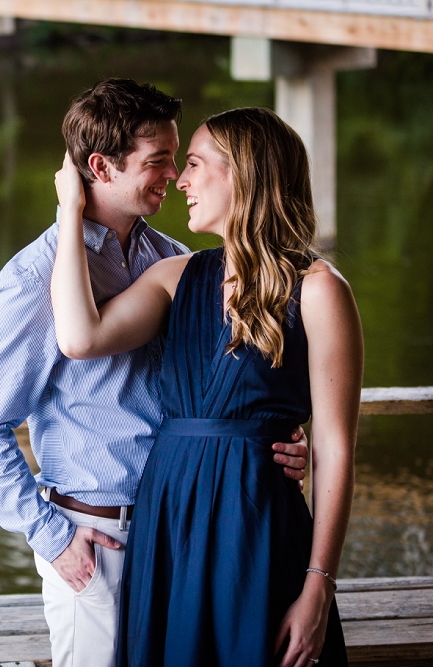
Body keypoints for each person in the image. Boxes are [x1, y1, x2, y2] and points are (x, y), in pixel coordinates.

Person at [0, 80, 310, 667]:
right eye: (159, 161)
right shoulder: (35, 278)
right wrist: (54, 538)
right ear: (101, 166)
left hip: (182, 533)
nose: (174, 175)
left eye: (178, 158)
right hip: (96, 539)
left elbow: (223, 386)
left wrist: (280, 440)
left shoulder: (173, 261)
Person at [50, 107, 362, 667]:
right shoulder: (176, 276)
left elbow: (337, 450)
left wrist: (319, 587)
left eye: (193, 164)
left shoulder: (319, 291)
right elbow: (79, 337)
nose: (181, 180)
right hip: (169, 524)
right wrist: (69, 211)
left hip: (259, 526)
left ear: (242, 173)